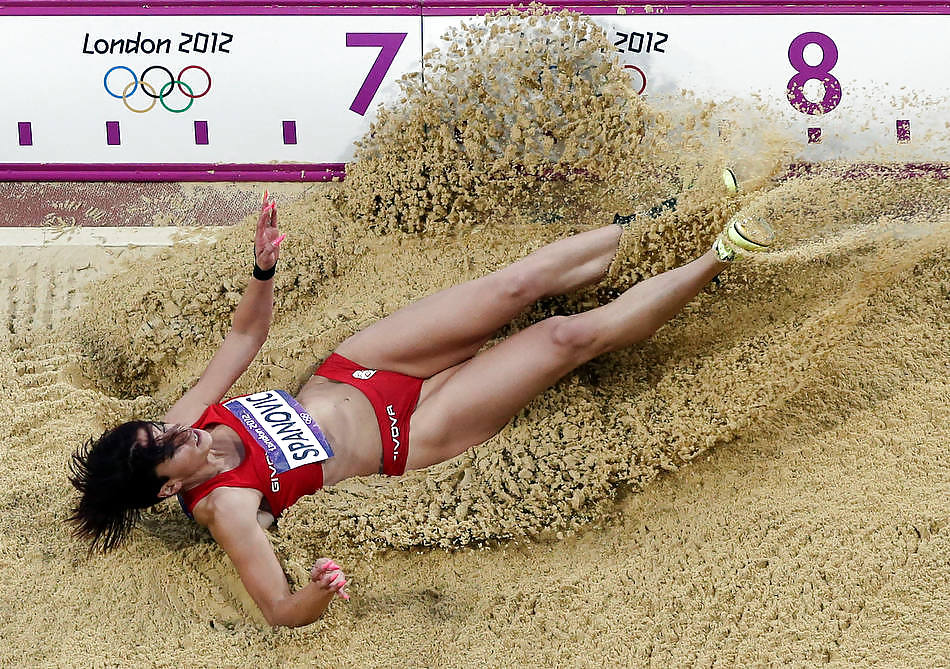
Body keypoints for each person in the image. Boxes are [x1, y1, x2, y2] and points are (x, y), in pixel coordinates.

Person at [68, 190, 774, 628]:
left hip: (365, 365)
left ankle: (672, 218)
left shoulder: (187, 419)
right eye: (169, 441)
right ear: (167, 485)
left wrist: (262, 269)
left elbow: (246, 335)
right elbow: (280, 610)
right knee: (563, 337)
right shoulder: (225, 509)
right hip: (415, 430)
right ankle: (722, 253)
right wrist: (318, 588)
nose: (181, 425)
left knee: (514, 285)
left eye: (162, 423)